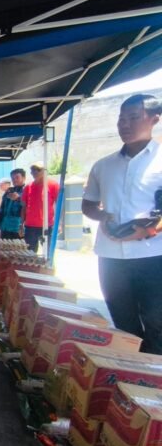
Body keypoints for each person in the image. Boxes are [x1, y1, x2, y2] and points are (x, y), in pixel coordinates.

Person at [82, 94, 162, 354]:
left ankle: (153, 382)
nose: (124, 125)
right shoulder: (103, 165)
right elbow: (88, 204)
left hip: (153, 256)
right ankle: (132, 376)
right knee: (124, 325)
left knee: (156, 323)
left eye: (133, 118)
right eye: (121, 119)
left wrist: (150, 228)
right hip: (111, 256)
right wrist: (102, 216)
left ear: (154, 119)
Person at [20, 162, 60, 253]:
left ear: (44, 171)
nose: (34, 172)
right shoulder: (28, 187)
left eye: (37, 170)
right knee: (30, 254)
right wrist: (21, 224)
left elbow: (60, 205)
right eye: (32, 170)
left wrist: (60, 223)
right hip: (30, 226)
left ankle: (48, 267)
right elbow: (24, 207)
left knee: (48, 254)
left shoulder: (53, 185)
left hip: (47, 226)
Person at [0, 168, 26, 239]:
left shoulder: (27, 190)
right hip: (5, 226)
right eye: (12, 178)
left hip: (18, 227)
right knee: (3, 247)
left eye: (17, 177)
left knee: (18, 249)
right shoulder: (9, 190)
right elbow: (2, 207)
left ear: (24, 178)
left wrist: (19, 198)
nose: (14, 180)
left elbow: (29, 206)